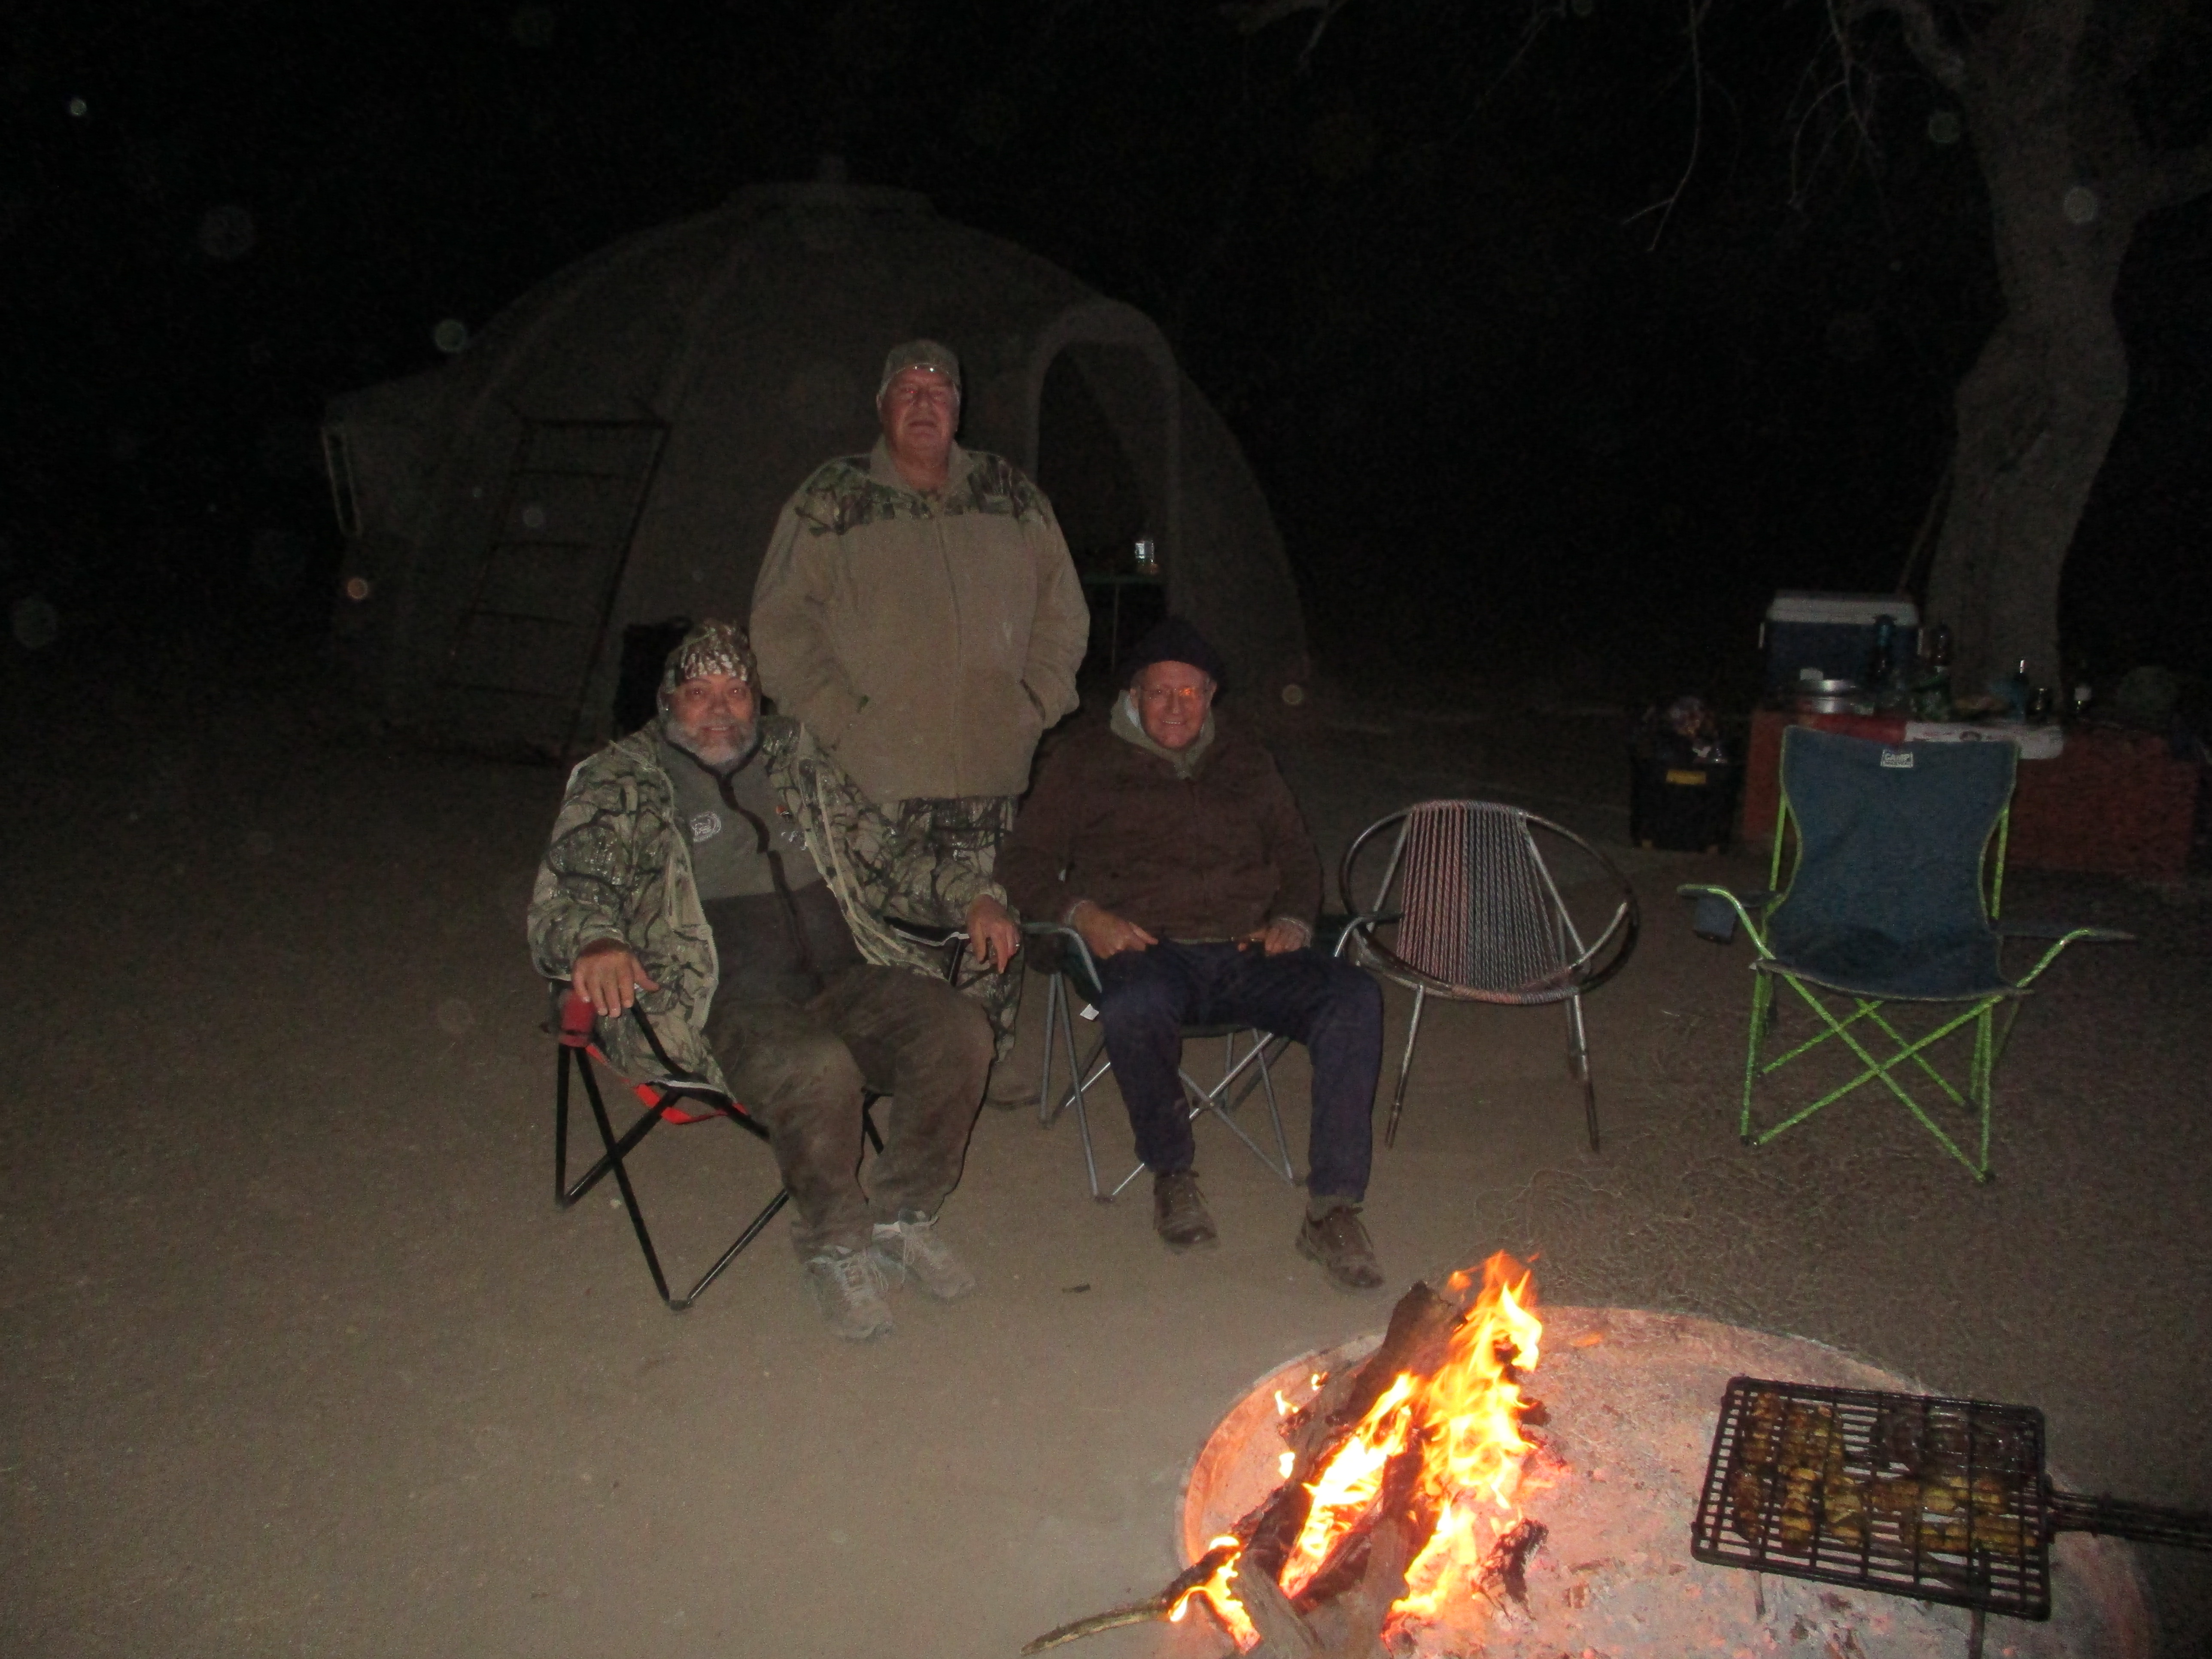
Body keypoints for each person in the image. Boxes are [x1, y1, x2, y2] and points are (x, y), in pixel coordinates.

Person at [526, 621, 1022, 1341]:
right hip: (721, 996)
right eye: (700, 693)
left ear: (757, 700)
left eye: (736, 692)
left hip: (844, 971)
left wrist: (972, 896)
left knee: (960, 1031)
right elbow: (567, 895)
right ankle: (835, 1245)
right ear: (668, 701)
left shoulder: (797, 760)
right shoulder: (621, 780)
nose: (719, 709)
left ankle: (902, 1214)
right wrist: (596, 940)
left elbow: (885, 856)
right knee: (817, 1068)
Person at [988, 617, 1388, 1291]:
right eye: (1159, 693)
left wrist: (1294, 917)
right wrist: (1082, 915)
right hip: (1143, 950)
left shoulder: (1246, 759)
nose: (1176, 707)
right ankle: (1171, 1172)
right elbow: (1023, 861)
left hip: (1246, 950)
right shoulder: (1085, 761)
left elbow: (1297, 855)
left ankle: (1333, 1210)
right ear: (1133, 697)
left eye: (1190, 693)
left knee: (1355, 998)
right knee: (1136, 1004)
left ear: (1211, 696)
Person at [749, 339, 1089, 1088]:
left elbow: (1064, 612)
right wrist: (842, 721)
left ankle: (982, 1066)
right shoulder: (833, 498)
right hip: (874, 776)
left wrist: (1035, 703)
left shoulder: (1009, 495)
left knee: (988, 922)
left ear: (960, 408)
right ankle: (891, 1071)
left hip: (990, 768)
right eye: (908, 391)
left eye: (939, 391)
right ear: (882, 406)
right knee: (883, 935)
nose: (925, 404)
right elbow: (780, 624)